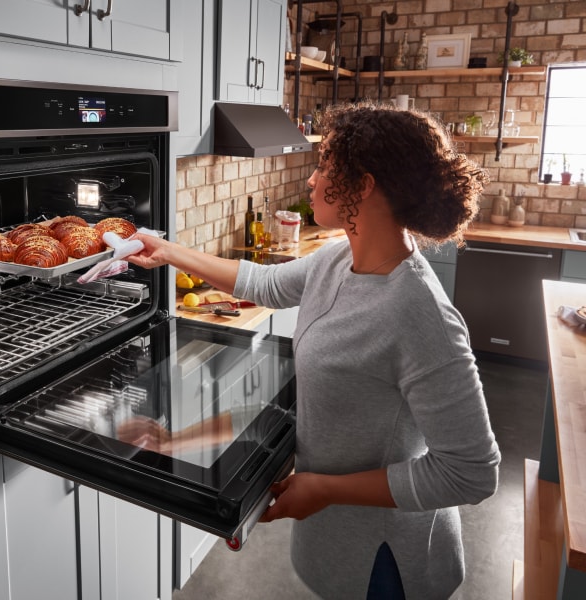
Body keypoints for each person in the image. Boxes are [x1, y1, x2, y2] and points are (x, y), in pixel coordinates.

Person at [125, 102, 500, 599]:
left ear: (362, 186)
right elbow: (265, 282)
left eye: (324, 166)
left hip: (387, 561)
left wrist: (325, 489)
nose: (311, 180)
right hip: (333, 542)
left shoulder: (419, 314)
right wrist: (167, 251)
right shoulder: (340, 257)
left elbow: (472, 472)